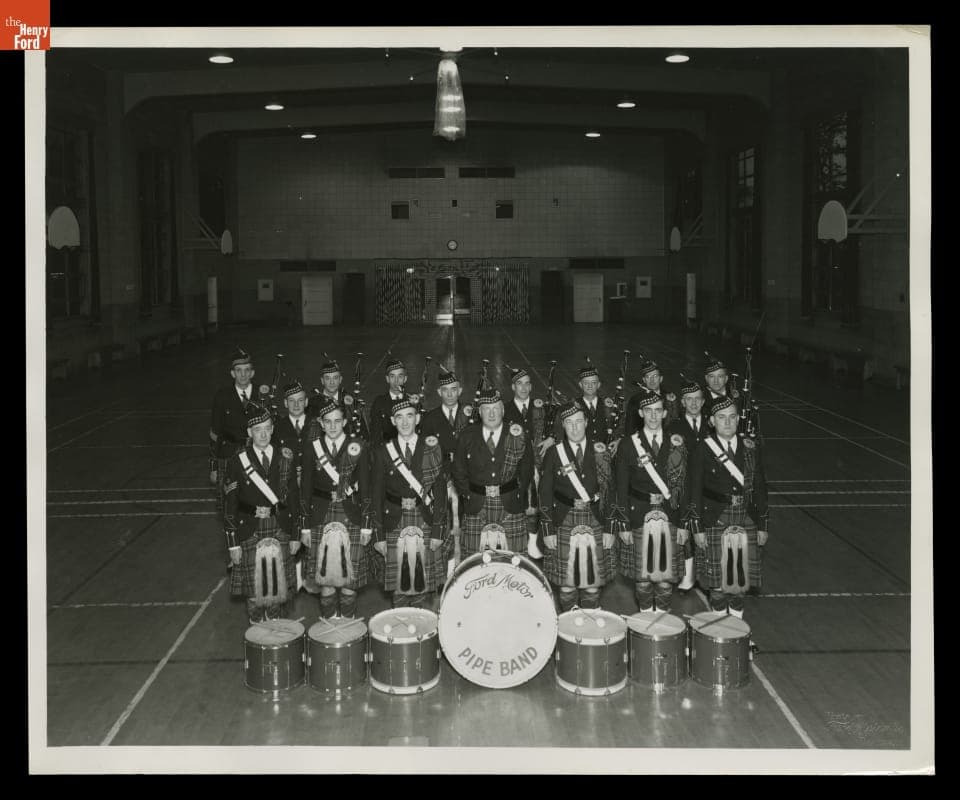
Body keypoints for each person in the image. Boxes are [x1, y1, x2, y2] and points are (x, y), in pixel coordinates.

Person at [685, 395, 769, 619]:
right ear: (711, 421)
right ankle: (720, 631)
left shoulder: (750, 447)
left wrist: (762, 524)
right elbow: (693, 491)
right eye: (722, 417)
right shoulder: (702, 449)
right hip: (714, 518)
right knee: (718, 588)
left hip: (746, 518)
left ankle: (736, 631)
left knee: (739, 585)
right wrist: (697, 529)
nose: (728, 422)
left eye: (732, 417)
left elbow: (760, 487)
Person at [369, 396, 450, 609]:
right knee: (399, 588)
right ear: (392, 421)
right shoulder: (382, 452)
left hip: (424, 518)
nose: (405, 422)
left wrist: (438, 531)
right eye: (399, 417)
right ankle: (400, 634)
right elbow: (375, 495)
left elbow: (440, 493)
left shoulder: (432, 448)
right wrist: (378, 535)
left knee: (423, 585)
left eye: (410, 416)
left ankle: (421, 634)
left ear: (418, 418)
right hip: (393, 520)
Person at [223, 403, 300, 623]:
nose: (263, 434)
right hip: (249, 528)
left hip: (280, 525)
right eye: (258, 430)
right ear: (249, 433)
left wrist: (295, 535)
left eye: (267, 428)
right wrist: (233, 543)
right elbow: (229, 504)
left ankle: (274, 632)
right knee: (254, 594)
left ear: (273, 429)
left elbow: (294, 498)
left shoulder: (285, 457)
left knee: (277, 588)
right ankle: (256, 630)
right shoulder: (238, 461)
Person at [614, 389, 689, 614]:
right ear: (640, 413)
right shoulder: (628, 444)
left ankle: (663, 617)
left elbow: (684, 487)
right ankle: (646, 616)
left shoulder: (677, 444)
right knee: (643, 579)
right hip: (638, 515)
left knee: (666, 580)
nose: (654, 416)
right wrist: (623, 524)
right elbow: (620, 488)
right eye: (649, 411)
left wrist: (685, 523)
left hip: (671, 514)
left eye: (658, 411)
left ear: (665, 413)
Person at [538, 403, 616, 611]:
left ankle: (589, 621)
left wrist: (610, 528)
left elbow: (610, 492)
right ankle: (569, 624)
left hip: (595, 517)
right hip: (563, 518)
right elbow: (544, 493)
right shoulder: (555, 453)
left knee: (592, 583)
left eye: (579, 422)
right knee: (566, 585)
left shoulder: (601, 451)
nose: (575, 428)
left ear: (587, 423)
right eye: (569, 423)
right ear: (563, 425)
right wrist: (547, 530)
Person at [299, 399, 372, 619]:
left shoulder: (358, 446)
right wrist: (304, 528)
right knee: (327, 583)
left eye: (337, 421)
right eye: (328, 422)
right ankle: (329, 624)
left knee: (350, 584)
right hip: (320, 515)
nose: (332, 426)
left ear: (345, 422)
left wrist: (367, 526)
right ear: (321, 423)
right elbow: (305, 489)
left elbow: (366, 487)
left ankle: (348, 624)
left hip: (351, 514)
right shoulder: (312, 448)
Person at [453, 388, 533, 559]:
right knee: (474, 560)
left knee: (515, 560)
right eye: (486, 409)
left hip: (510, 503)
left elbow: (527, 469)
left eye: (495, 408)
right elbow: (459, 471)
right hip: (476, 504)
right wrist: (468, 495)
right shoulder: (467, 436)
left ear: (503, 410)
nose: (491, 414)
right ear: (480, 412)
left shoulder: (518, 434)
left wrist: (518, 494)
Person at [666, 374, 709, 591]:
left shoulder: (713, 424)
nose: (693, 403)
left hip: (708, 488)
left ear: (703, 401)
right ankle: (687, 576)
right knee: (685, 530)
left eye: (697, 399)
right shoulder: (673, 426)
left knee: (706, 532)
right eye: (688, 399)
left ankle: (706, 575)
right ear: (682, 402)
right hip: (683, 487)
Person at [502, 365, 549, 558]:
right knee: (519, 501)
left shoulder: (542, 408)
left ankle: (535, 541)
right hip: (517, 465)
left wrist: (552, 438)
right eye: (519, 384)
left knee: (541, 502)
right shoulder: (504, 409)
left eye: (527, 384)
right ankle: (521, 540)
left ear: (531, 387)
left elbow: (555, 429)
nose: (523, 387)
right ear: (513, 387)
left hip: (540, 462)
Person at [418, 365, 471, 534]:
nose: (449, 394)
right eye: (445, 390)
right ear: (439, 392)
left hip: (466, 470)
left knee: (467, 514)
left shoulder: (471, 415)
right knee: (441, 516)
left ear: (460, 391)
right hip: (440, 471)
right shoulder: (430, 418)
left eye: (453, 389)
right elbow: (425, 452)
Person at [209, 348, 256, 517]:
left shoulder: (263, 396)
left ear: (252, 372)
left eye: (246, 370)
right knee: (228, 504)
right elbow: (214, 433)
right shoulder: (222, 396)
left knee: (254, 502)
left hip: (254, 454)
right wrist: (214, 466)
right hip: (228, 453)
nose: (242, 375)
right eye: (238, 370)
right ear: (232, 373)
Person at [550, 358, 620, 447]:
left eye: (593, 382)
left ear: (599, 385)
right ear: (580, 385)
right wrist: (552, 438)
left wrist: (618, 440)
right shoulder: (572, 406)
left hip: (604, 452)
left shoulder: (609, 406)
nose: (590, 386)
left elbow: (620, 426)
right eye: (586, 383)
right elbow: (559, 428)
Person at [624, 358, 680, 433]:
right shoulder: (635, 400)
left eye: (655, 376)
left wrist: (673, 404)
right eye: (648, 377)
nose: (652, 380)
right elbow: (629, 428)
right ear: (644, 380)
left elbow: (676, 423)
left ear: (661, 379)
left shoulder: (670, 398)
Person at [368, 358, 409, 446]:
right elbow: (375, 434)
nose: (396, 381)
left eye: (400, 376)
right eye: (392, 376)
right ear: (387, 379)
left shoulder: (412, 402)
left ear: (405, 379)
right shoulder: (379, 402)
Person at [315, 357, 358, 436]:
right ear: (322, 380)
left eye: (335, 378)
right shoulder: (312, 405)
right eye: (327, 378)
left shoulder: (352, 404)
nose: (332, 382)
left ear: (340, 379)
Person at [702, 351, 740, 418]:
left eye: (720, 376)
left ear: (726, 378)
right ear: (706, 378)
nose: (716, 381)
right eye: (712, 376)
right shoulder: (699, 401)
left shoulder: (737, 397)